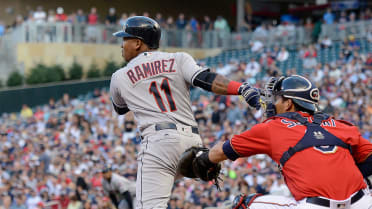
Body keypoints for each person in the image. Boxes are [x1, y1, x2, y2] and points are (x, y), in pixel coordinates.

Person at [110, 16, 261, 209]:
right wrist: (240, 88)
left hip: (158, 144)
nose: (121, 45)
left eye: (125, 39)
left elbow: (120, 108)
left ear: (138, 43)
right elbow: (205, 79)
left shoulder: (119, 76)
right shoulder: (178, 58)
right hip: (192, 142)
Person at [194, 75, 372, 208]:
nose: (271, 103)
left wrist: (202, 160)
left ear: (288, 104)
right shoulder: (342, 126)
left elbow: (218, 153)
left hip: (315, 206)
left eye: (276, 98)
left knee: (243, 204)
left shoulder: (272, 127)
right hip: (362, 202)